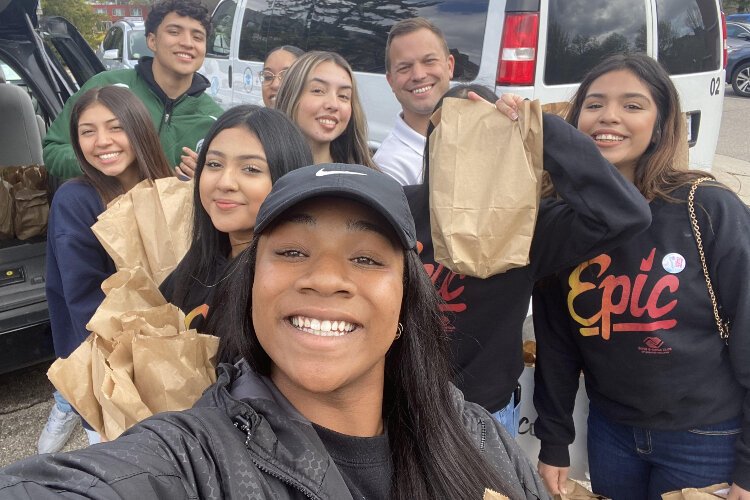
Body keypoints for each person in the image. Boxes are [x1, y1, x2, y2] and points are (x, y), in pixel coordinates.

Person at [0, 164, 550, 500]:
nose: (327, 278)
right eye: (291, 252)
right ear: (251, 285)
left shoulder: (475, 435)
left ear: (407, 296)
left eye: (365, 258)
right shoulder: (195, 459)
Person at [531, 54, 750, 500]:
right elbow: (556, 341)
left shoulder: (707, 208)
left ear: (662, 121)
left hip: (707, 439)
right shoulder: (560, 220)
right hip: (611, 434)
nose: (609, 116)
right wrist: (554, 440)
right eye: (594, 105)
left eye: (632, 105)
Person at [402, 83, 652, 437]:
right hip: (401, 406)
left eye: (485, 137)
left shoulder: (530, 225)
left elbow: (626, 215)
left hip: (483, 416)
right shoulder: (399, 207)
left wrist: (541, 129)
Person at [39, 86, 173, 454]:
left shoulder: (168, 190)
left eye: (115, 127)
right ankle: (66, 404)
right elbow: (84, 303)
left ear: (139, 128)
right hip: (112, 369)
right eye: (87, 131)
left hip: (170, 356)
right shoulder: (76, 199)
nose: (102, 142)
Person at [159, 104, 313, 331]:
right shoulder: (205, 257)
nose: (225, 182)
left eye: (251, 169)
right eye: (214, 164)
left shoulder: (284, 287)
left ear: (287, 179)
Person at [42, 0, 222, 181]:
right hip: (105, 207)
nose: (187, 43)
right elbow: (53, 150)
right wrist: (99, 162)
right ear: (152, 41)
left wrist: (205, 180)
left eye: (198, 37)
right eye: (174, 32)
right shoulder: (105, 87)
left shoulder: (215, 120)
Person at [374, 17, 454, 185]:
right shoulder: (388, 169)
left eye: (429, 61)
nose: (419, 75)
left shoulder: (480, 126)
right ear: (391, 81)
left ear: (449, 66)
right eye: (404, 67)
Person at [274, 51, 376, 168]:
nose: (333, 105)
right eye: (318, 90)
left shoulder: (364, 178)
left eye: (343, 96)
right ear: (290, 95)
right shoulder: (264, 172)